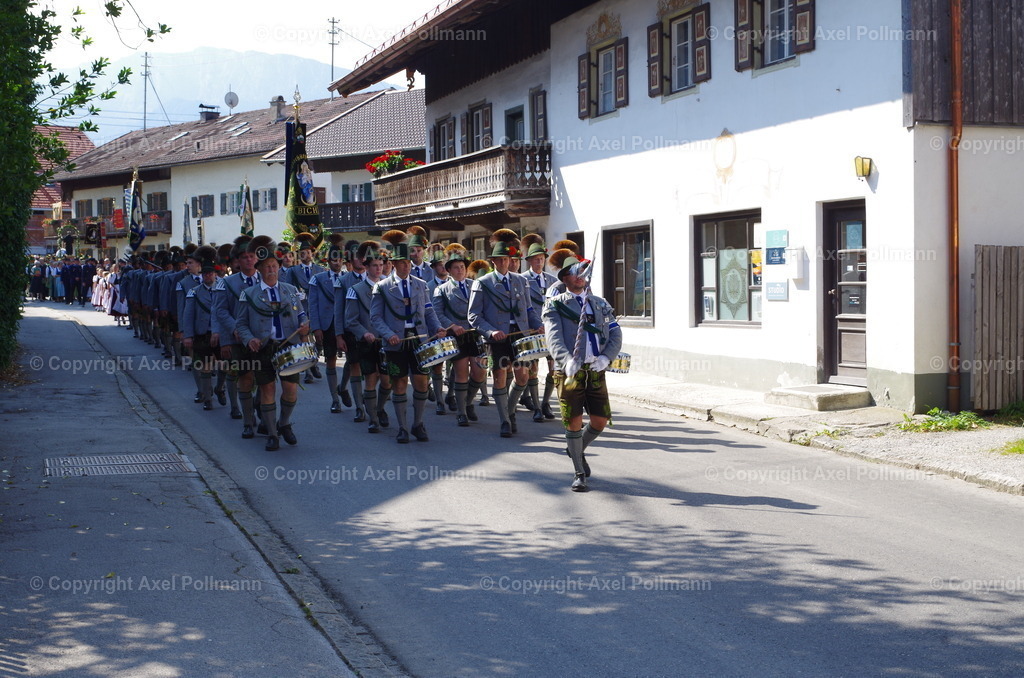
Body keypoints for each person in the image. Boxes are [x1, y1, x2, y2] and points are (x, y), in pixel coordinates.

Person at [542, 248, 623, 492]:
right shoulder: (555, 304)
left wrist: (607, 357)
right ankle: (579, 472)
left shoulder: (599, 304)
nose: (580, 276)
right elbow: (553, 337)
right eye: (574, 273)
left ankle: (576, 448)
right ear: (565, 278)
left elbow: (616, 332)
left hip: (595, 369)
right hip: (569, 372)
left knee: (599, 420)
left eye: (582, 271)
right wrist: (566, 360)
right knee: (573, 422)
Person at [234, 236, 310, 451]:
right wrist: (250, 339)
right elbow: (241, 323)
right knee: (267, 390)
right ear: (259, 269)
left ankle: (284, 423)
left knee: (291, 390)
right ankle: (273, 434)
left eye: (274, 266)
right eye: (267, 267)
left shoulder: (290, 290)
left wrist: (304, 325)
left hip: (289, 346)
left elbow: (302, 314)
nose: (271, 270)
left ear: (279, 267)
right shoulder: (248, 294)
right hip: (264, 348)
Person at [370, 234, 445, 443]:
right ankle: (402, 427)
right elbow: (375, 317)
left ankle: (418, 423)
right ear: (393, 264)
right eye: (401, 263)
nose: (406, 266)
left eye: (408, 263)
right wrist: (388, 334)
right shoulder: (382, 287)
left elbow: (429, 311)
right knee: (400, 383)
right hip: (396, 342)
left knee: (421, 382)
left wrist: (437, 328)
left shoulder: (421, 284)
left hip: (419, 339)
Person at [467, 229, 542, 438]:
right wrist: (490, 332)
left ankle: (510, 410)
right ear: (493, 262)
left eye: (506, 259)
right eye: (499, 260)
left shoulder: (520, 281)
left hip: (520, 335)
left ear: (511, 260)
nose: (503, 263)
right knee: (499, 375)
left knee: (522, 377)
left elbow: (529, 310)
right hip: (496, 338)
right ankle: (504, 421)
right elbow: (473, 315)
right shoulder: (482, 283)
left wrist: (539, 324)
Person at [433, 244, 487, 426]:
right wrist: (451, 326)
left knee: (480, 372)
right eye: (455, 267)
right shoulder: (441, 289)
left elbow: (483, 308)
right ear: (448, 270)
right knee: (461, 372)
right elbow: (437, 313)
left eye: (462, 267)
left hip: (475, 334)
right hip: (457, 335)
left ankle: (468, 401)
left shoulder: (475, 285)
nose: (460, 270)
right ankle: (462, 412)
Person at [211, 235, 259, 425]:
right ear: (237, 260)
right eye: (244, 257)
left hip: (262, 338)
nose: (248, 260)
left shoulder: (266, 278)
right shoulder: (227, 283)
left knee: (265, 380)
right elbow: (220, 311)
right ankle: (245, 417)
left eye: (252, 256)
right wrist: (231, 333)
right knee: (242, 376)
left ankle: (261, 411)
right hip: (237, 338)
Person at [344, 242, 390, 433]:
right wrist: (365, 333)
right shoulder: (356, 289)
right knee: (371, 378)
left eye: (381, 265)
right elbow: (351, 320)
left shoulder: (391, 286)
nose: (378, 268)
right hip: (367, 341)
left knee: (387, 381)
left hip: (388, 341)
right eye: (374, 265)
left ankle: (379, 408)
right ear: (367, 267)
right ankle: (372, 417)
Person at [521, 233, 558, 421]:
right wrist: (534, 325)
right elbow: (523, 307)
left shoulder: (552, 281)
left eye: (542, 259)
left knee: (553, 369)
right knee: (533, 369)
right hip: (533, 330)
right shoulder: (522, 279)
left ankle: (546, 402)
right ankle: (535, 406)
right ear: (529, 261)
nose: (539, 263)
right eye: (536, 259)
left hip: (551, 331)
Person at [309, 234, 346, 413]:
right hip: (327, 324)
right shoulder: (318, 279)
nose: (336, 263)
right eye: (333, 260)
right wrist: (316, 327)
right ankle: (335, 398)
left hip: (346, 324)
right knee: (330, 360)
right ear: (327, 261)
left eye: (339, 259)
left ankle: (344, 386)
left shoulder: (348, 278)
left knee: (353, 361)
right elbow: (313, 304)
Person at [282, 232, 326, 383]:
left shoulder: (320, 270)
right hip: (301, 309)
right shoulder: (292, 271)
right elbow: (287, 289)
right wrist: (296, 297)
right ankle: (308, 371)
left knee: (319, 340)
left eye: (306, 252)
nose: (303, 255)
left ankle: (315, 360)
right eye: (301, 252)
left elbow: (324, 290)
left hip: (317, 309)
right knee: (304, 340)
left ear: (312, 253)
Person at [182, 246, 221, 410]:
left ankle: (220, 388)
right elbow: (188, 315)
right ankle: (207, 398)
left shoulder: (223, 288)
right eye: (205, 274)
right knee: (204, 366)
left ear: (215, 274)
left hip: (221, 334)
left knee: (225, 366)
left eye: (210, 273)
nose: (208, 276)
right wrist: (188, 335)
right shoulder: (194, 292)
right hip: (202, 334)